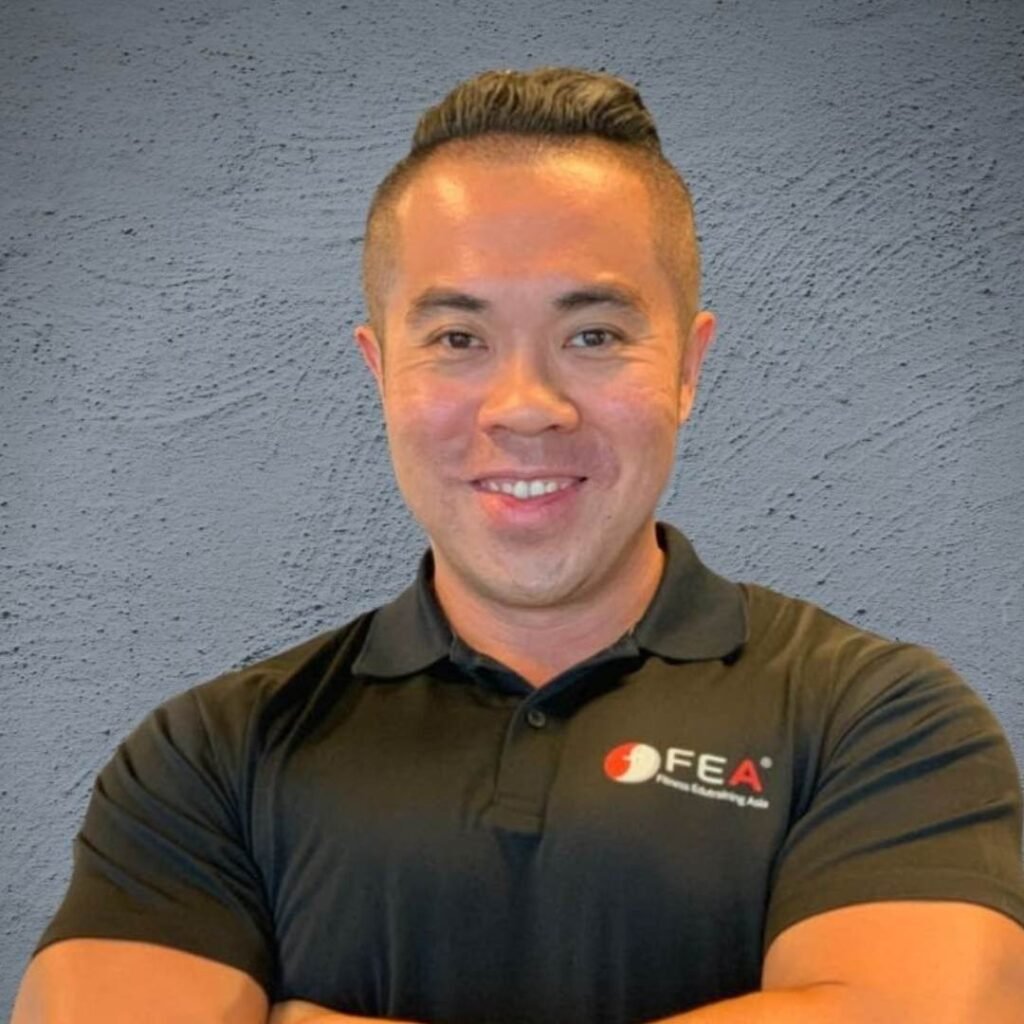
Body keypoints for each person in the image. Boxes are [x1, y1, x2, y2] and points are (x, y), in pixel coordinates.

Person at [12, 65, 1024, 1024]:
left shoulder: (876, 721)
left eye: (594, 336)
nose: (526, 406)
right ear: (381, 371)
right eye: (458, 339)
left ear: (687, 367)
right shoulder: (210, 758)